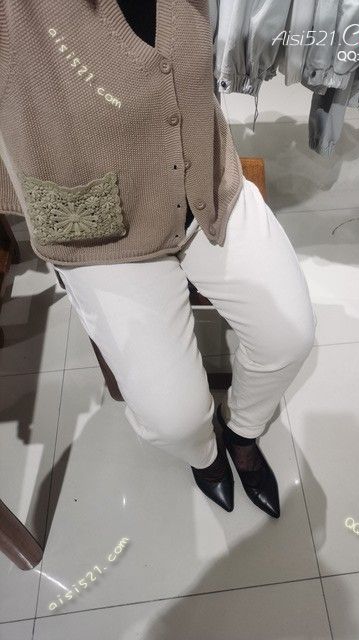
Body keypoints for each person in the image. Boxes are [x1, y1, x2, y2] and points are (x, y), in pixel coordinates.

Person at [0, 0, 317, 518]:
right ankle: (204, 454)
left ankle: (242, 432)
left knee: (290, 336)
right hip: (102, 233)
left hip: (206, 185)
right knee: (174, 419)